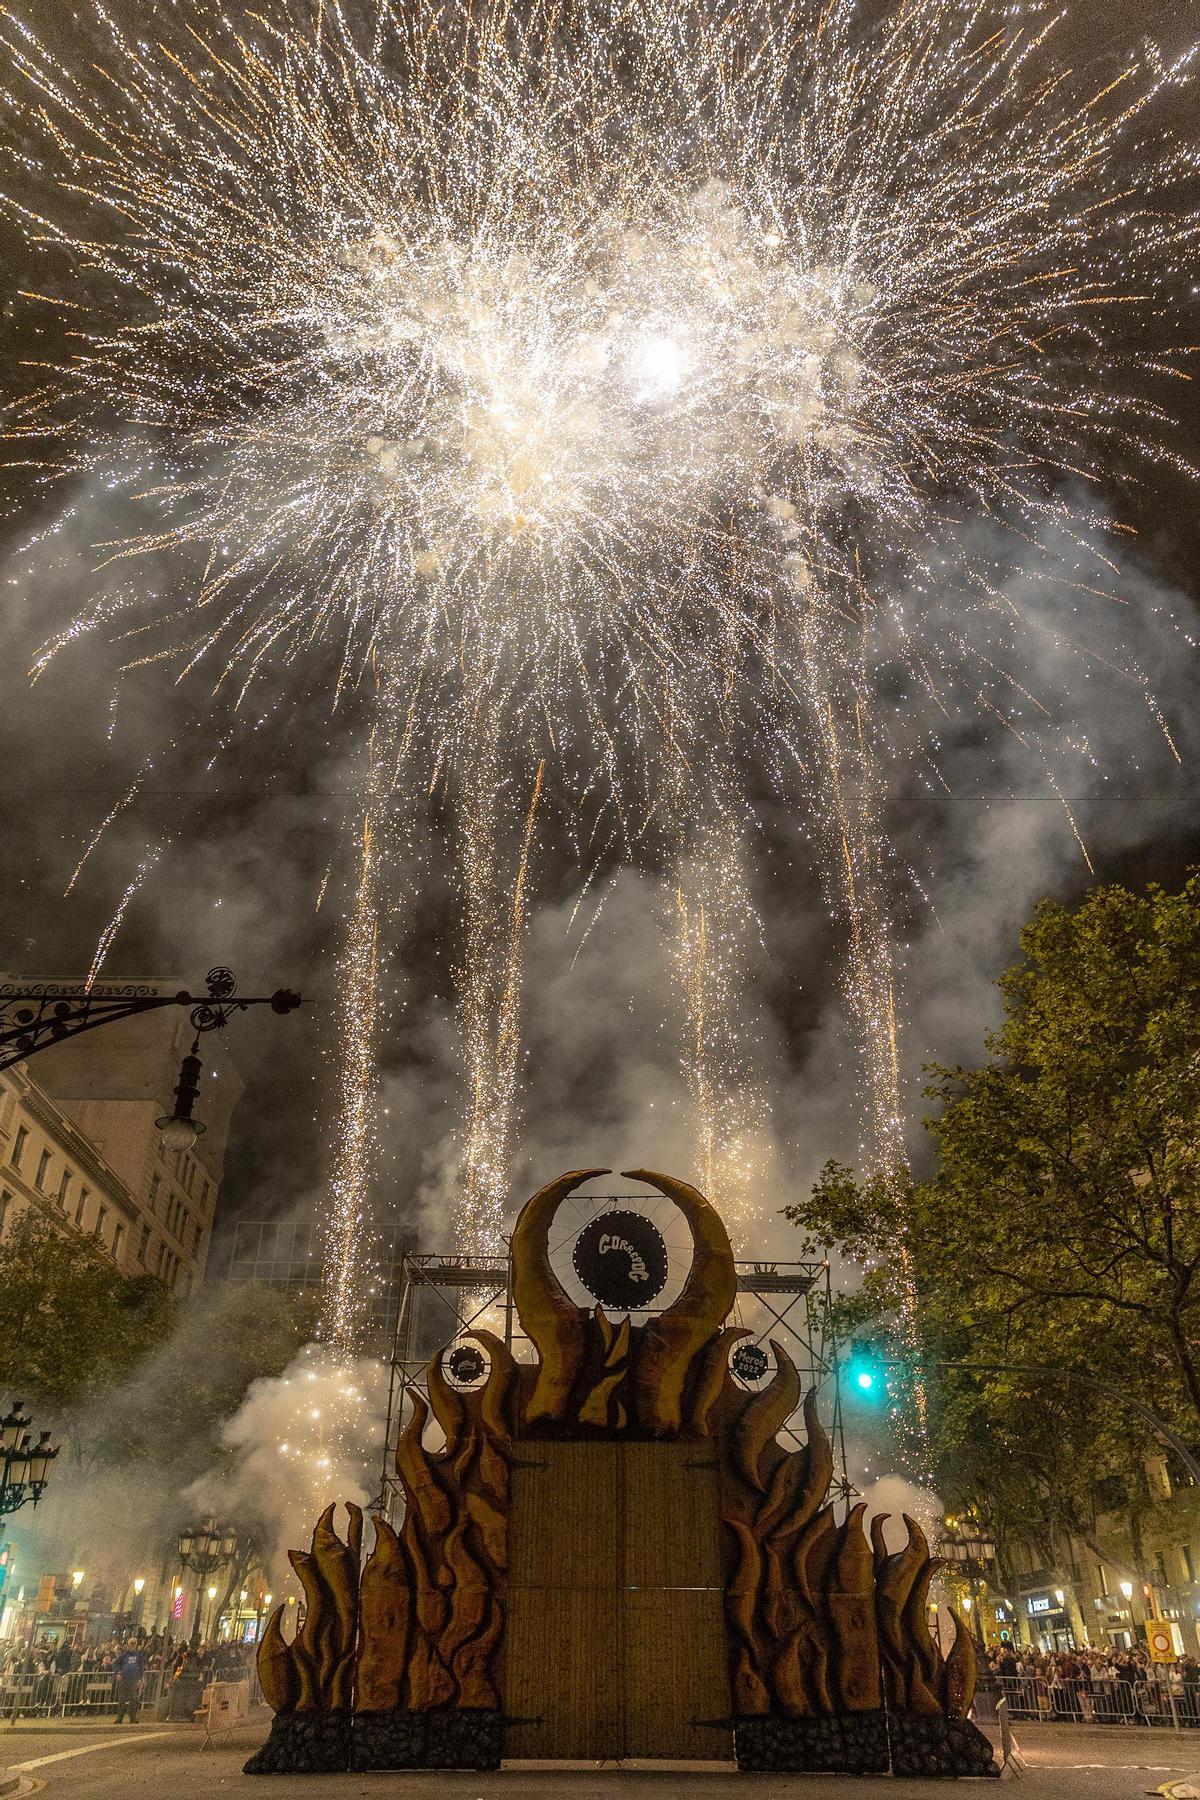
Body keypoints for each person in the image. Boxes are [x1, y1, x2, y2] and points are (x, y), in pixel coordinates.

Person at [113, 1638, 146, 1724]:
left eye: (134, 1644)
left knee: (133, 1700)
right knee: (122, 1700)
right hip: (124, 1679)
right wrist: (118, 1673)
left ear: (136, 1645)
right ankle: (119, 1718)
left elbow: (141, 1667)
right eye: (131, 1644)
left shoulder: (139, 1655)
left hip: (134, 1680)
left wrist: (141, 1678)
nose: (132, 1645)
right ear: (128, 1644)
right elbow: (116, 1663)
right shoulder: (124, 1655)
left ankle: (132, 1718)